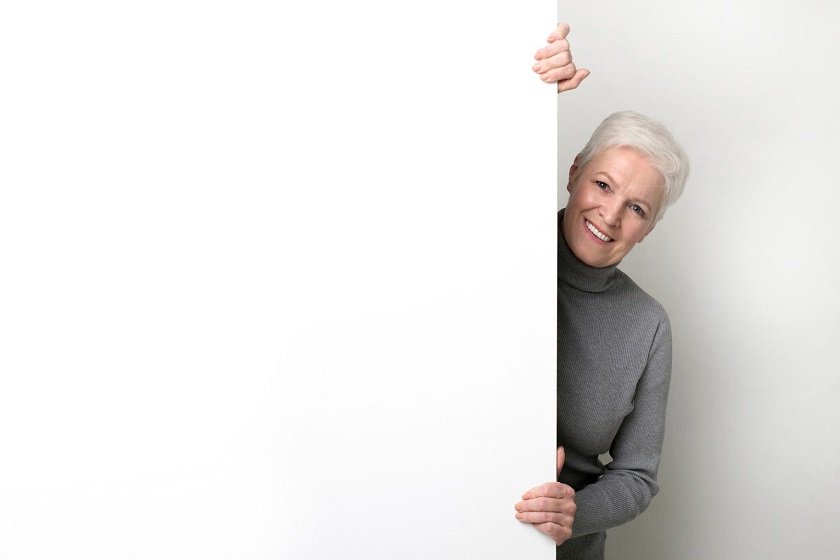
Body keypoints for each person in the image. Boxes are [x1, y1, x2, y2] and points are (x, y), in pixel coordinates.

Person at [513, 23, 690, 560]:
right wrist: (522, 78)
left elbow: (637, 476)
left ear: (649, 228)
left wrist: (574, 513)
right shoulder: (500, 251)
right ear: (574, 173)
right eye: (603, 184)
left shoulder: (648, 325)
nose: (610, 215)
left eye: (636, 208)